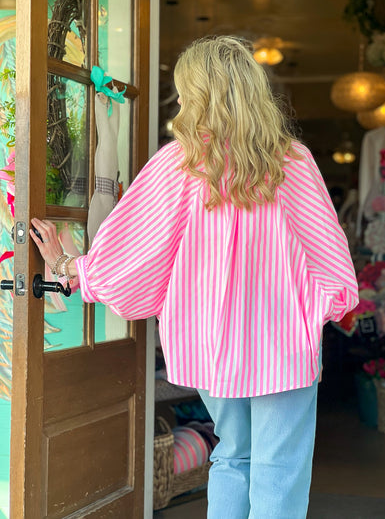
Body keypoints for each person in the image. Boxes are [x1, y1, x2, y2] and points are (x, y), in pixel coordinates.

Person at [31, 36, 359, 519]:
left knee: (231, 454)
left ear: (203, 93)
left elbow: (134, 254)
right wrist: (325, 310)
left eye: (184, 90)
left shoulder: (178, 164)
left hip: (213, 342)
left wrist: (69, 268)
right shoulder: (294, 162)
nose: (180, 100)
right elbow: (328, 257)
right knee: (280, 467)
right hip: (284, 342)